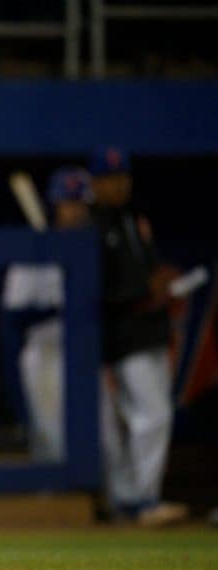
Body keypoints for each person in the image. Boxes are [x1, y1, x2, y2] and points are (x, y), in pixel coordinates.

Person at [90, 145, 187, 526]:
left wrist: (161, 283)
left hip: (148, 332)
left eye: (122, 177)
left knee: (144, 417)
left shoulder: (133, 219)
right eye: (109, 178)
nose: (117, 185)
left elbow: (144, 274)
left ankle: (134, 499)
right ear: (95, 183)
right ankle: (139, 499)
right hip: (123, 335)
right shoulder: (94, 226)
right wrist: (146, 291)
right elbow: (101, 289)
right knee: (148, 415)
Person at [1, 167, 94, 462]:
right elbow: (14, 314)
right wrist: (58, 305)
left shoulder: (93, 246)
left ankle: (103, 504)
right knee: (51, 438)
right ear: (55, 205)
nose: (75, 211)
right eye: (69, 203)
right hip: (46, 350)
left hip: (86, 350)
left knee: (99, 436)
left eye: (80, 204)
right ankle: (52, 504)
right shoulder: (35, 249)